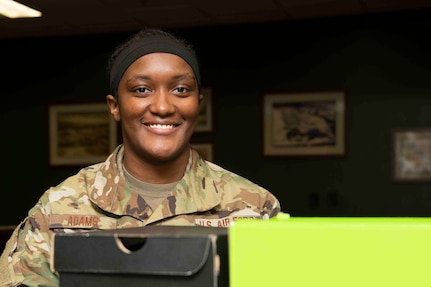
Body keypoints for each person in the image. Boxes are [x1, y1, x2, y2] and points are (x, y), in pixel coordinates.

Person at [0, 28, 281, 286]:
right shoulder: (58, 209)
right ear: (115, 106)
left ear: (198, 104)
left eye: (180, 89)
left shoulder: (254, 208)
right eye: (141, 90)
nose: (162, 106)